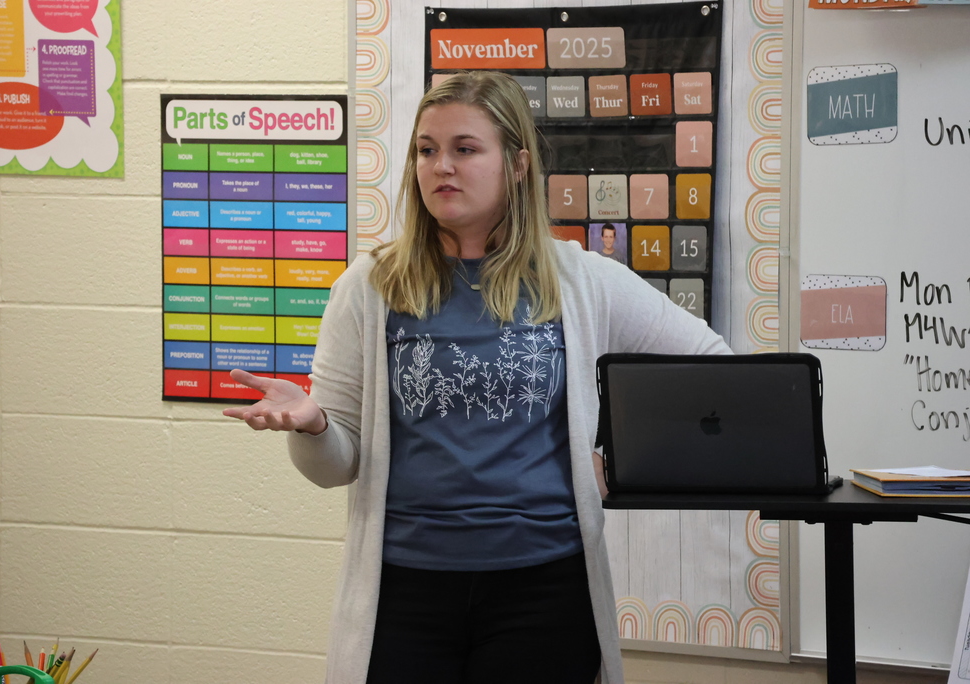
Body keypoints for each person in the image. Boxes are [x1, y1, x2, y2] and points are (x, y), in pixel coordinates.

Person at [223, 71, 730, 684]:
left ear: (516, 165)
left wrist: (620, 456)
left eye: (465, 149)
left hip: (544, 590)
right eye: (427, 150)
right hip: (405, 592)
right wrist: (313, 426)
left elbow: (712, 371)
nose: (441, 167)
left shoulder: (581, 281)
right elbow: (335, 468)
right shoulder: (369, 287)